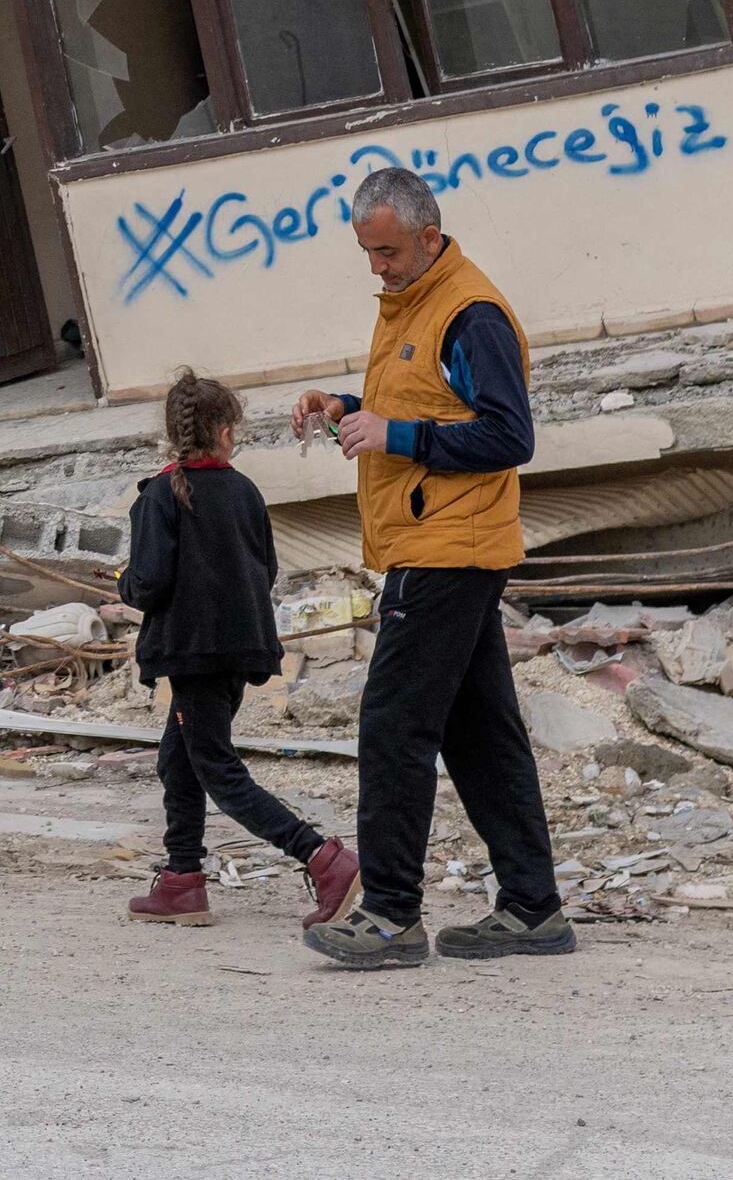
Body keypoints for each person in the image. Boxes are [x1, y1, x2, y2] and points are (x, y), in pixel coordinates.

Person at [286, 162, 567, 967]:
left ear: (430, 236)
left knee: (393, 723)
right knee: (480, 734)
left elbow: (510, 436)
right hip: (442, 543)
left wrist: (394, 435)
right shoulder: (416, 301)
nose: (377, 266)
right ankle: (532, 905)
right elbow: (422, 401)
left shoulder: (469, 312)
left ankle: (390, 916)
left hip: (448, 546)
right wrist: (344, 405)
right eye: (369, 252)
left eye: (388, 251)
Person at [114, 367, 355, 931]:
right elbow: (264, 569)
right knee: (179, 760)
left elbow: (146, 583)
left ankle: (325, 860)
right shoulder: (244, 491)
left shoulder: (160, 496)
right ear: (227, 431)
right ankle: (181, 881)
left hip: (192, 654)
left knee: (218, 769)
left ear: (175, 433)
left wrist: (123, 582)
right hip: (240, 648)